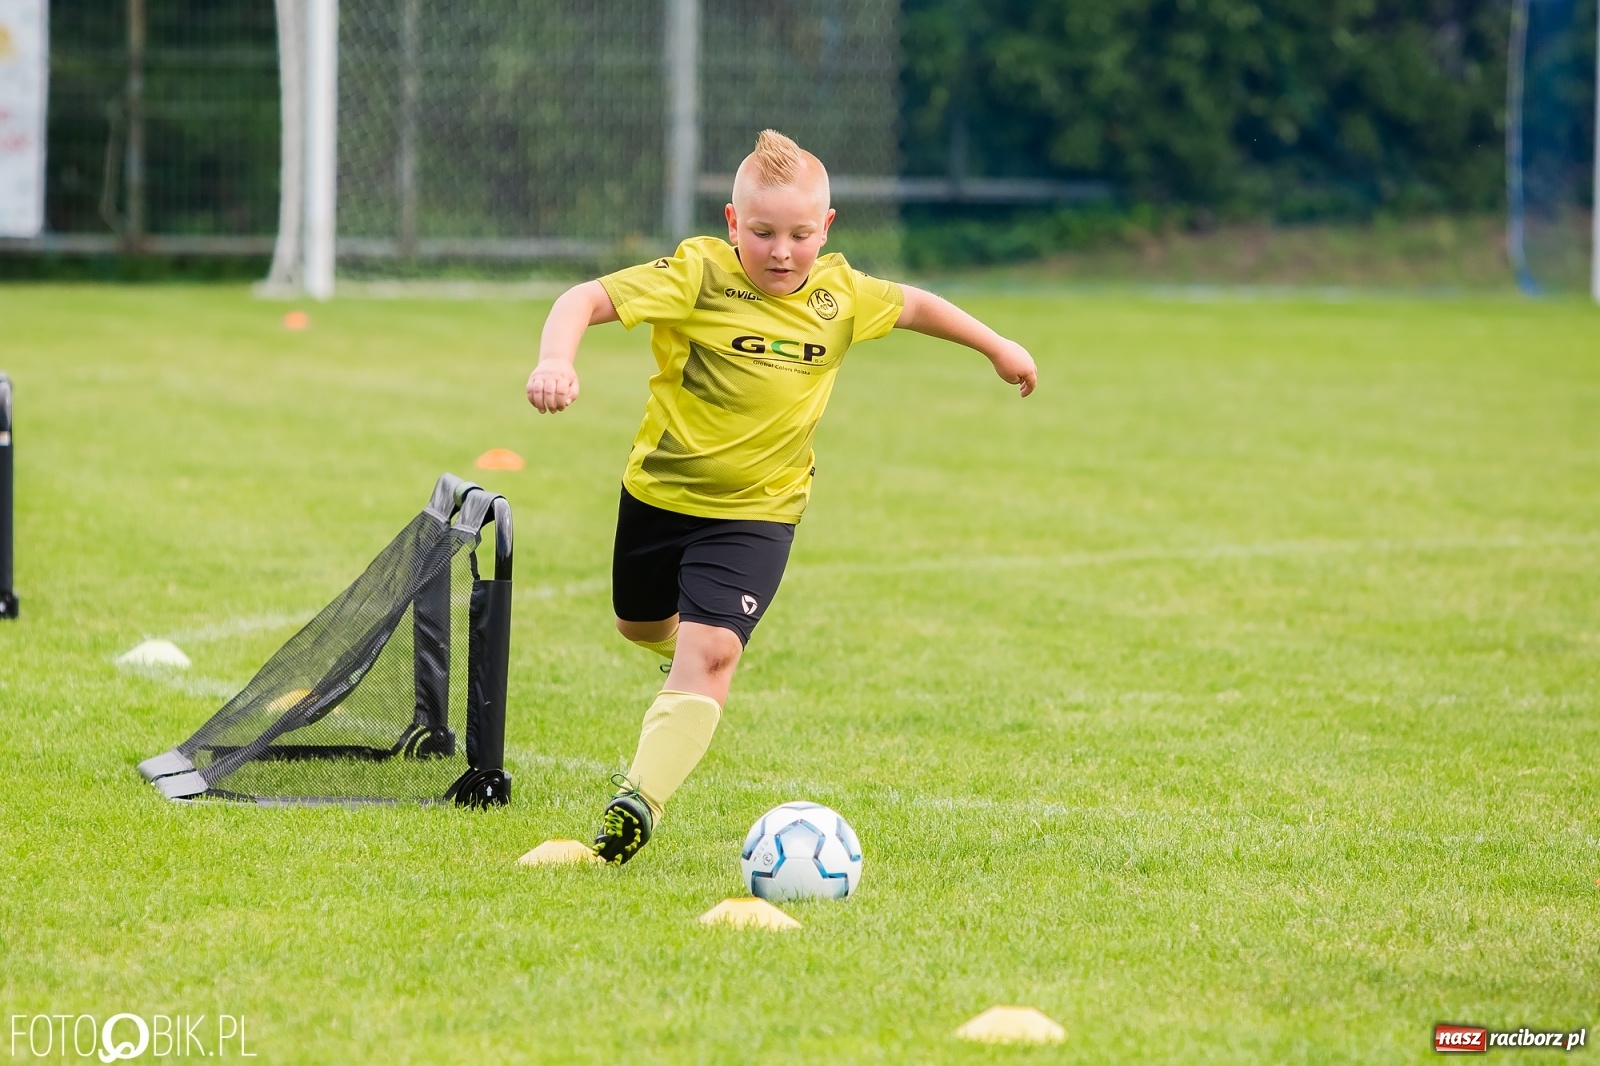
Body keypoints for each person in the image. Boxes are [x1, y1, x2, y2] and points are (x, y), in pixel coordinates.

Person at [526, 129, 1038, 864]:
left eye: (800, 234)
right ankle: (689, 664)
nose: (781, 251)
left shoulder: (839, 295)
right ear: (733, 225)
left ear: (825, 229)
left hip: (759, 511)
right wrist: (555, 359)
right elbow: (585, 298)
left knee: (711, 655)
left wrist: (998, 346)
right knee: (640, 627)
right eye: (762, 232)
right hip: (660, 494)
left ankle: (637, 801)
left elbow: (918, 305)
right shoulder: (698, 275)